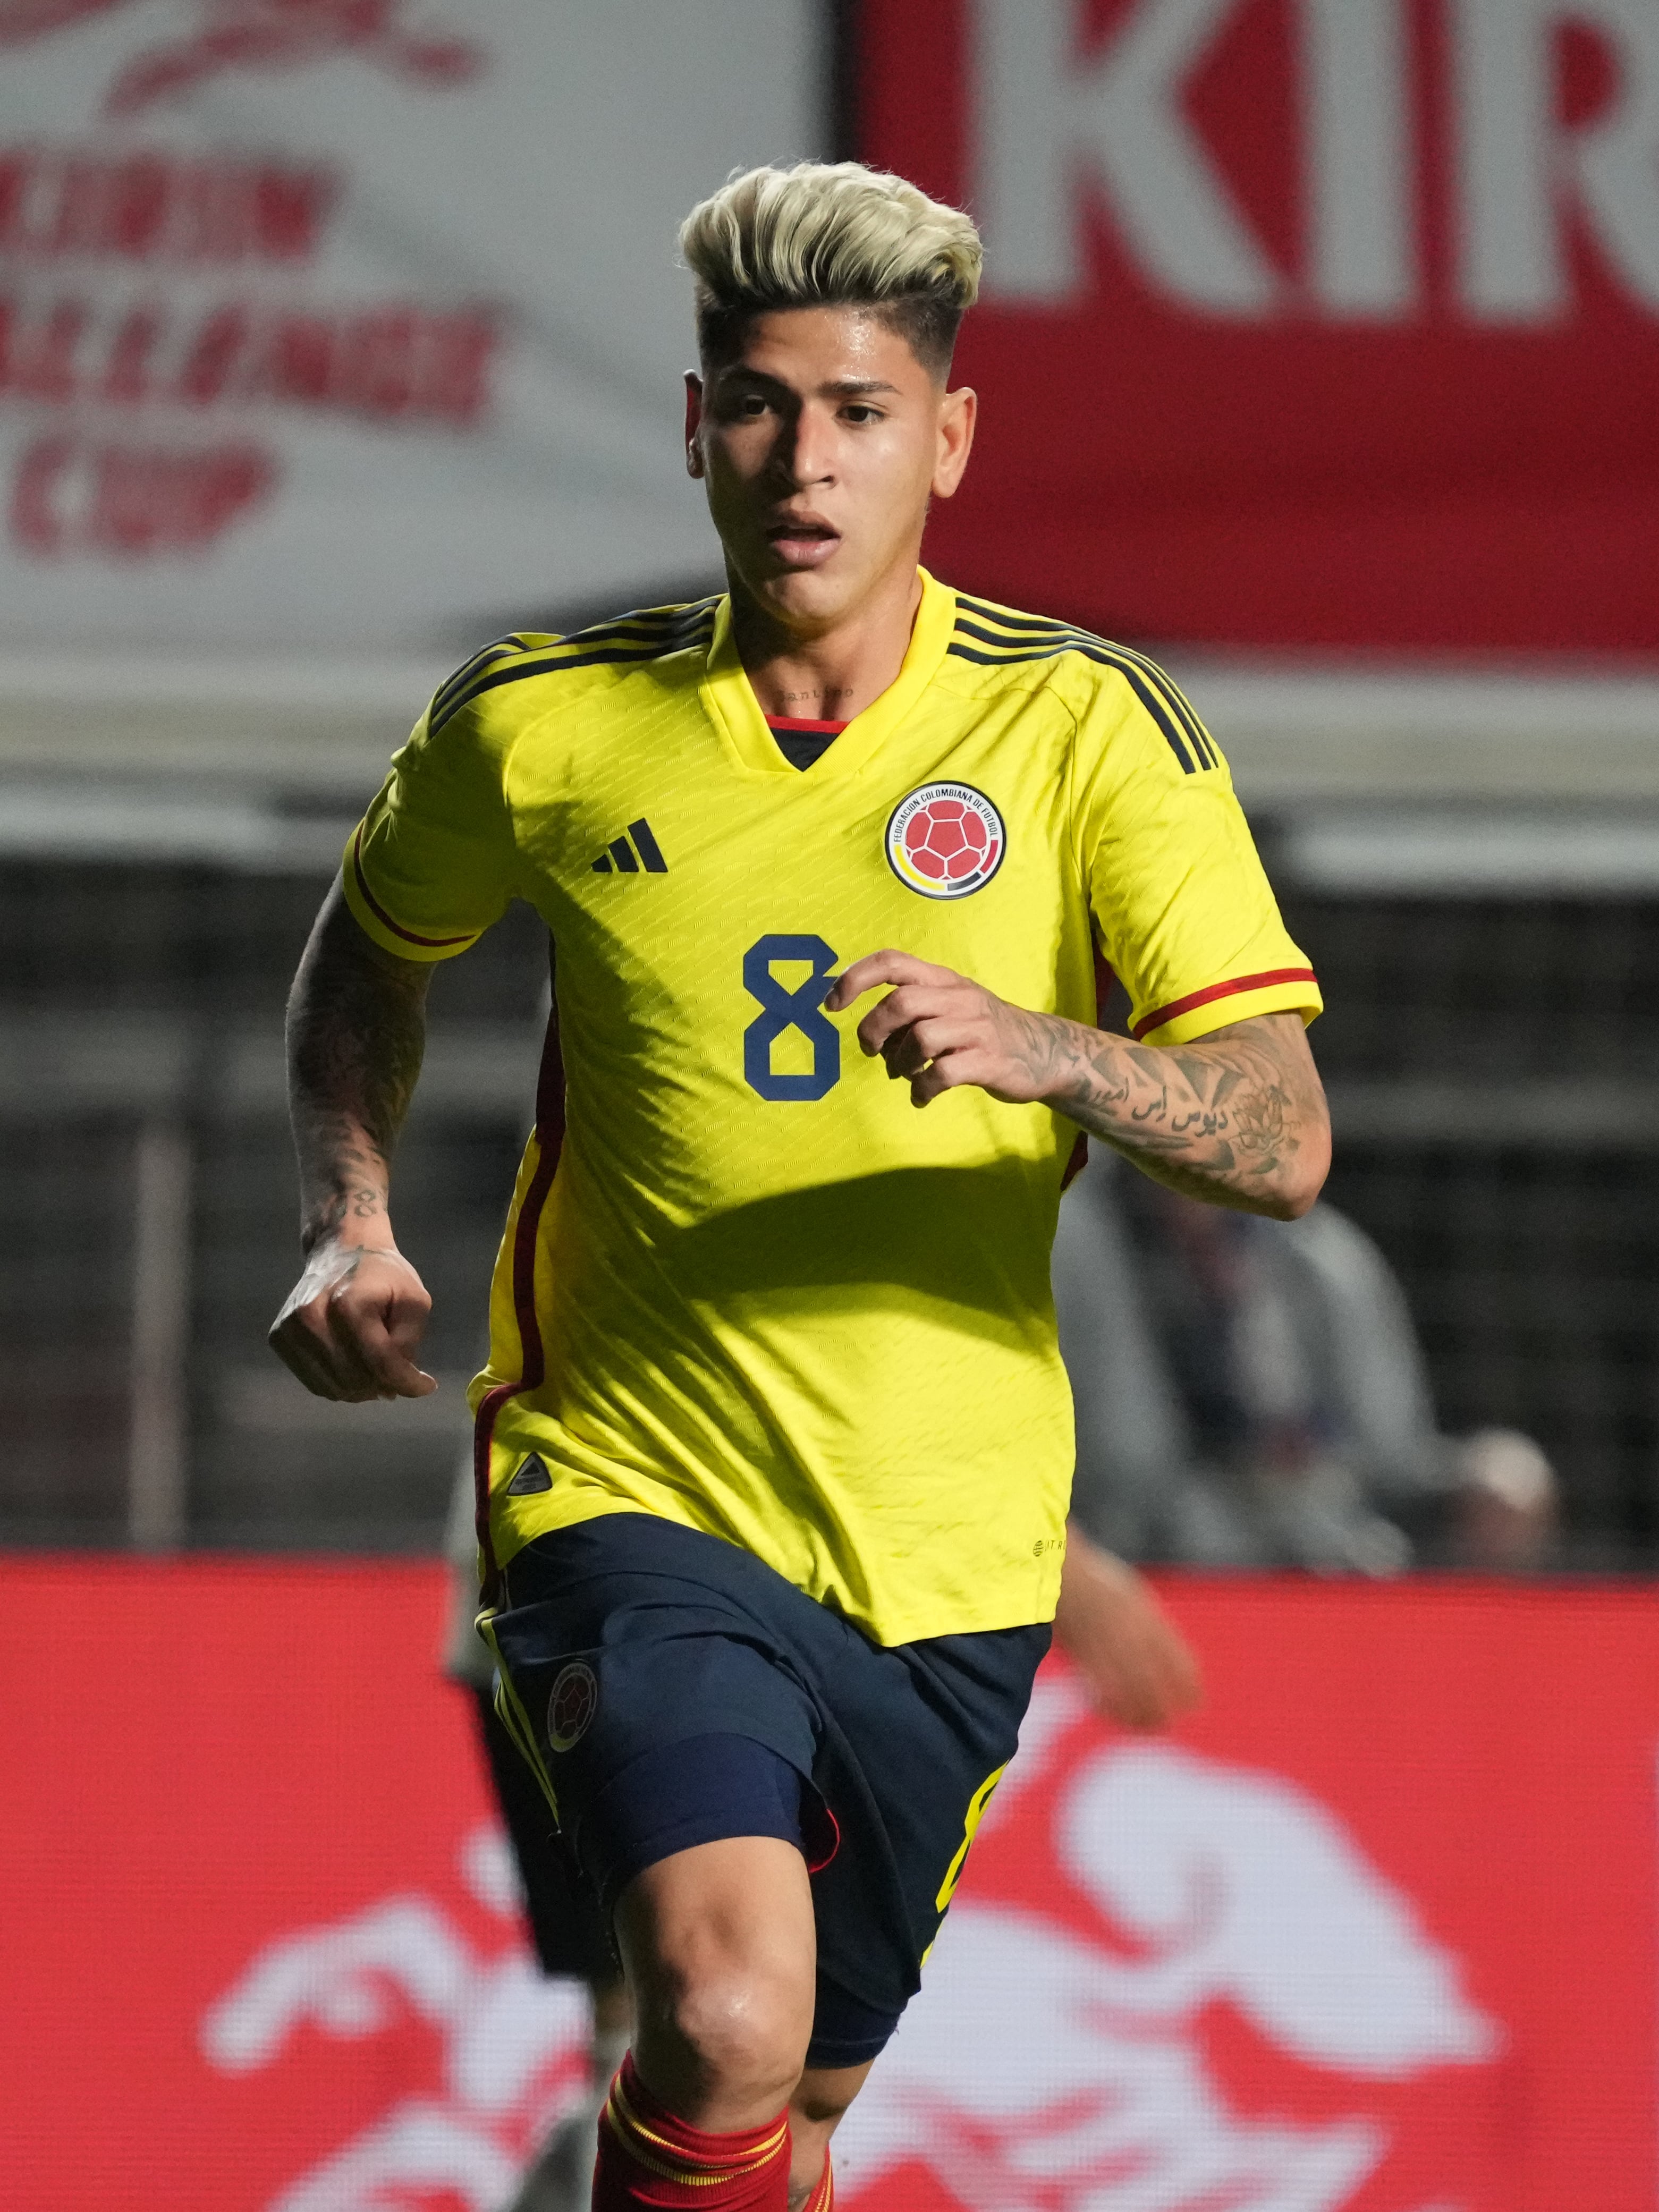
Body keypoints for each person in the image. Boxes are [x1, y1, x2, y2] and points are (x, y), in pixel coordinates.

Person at [270, 161, 1328, 2212]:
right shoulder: (544, 726)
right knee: (717, 2009)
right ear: (693, 429)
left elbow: (1278, 1135)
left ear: (942, 439)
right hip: (627, 1486)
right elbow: (363, 957)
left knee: (793, 2104)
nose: (802, 458)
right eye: (757, 404)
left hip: (946, 1547)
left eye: (856, 411)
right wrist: (349, 1209)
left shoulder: (1080, 732)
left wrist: (1049, 1046)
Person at [442, 1451, 1200, 2212]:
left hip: (889, 1580)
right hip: (625, 1519)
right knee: (701, 2023)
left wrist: (1044, 1535)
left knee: (790, 2106)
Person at [1056, 1157, 1558, 1573]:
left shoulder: (1323, 1255)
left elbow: (1394, 1460)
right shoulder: (1076, 1242)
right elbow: (1124, 1475)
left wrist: (1474, 1475)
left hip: (1332, 1547)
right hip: (1162, 1561)